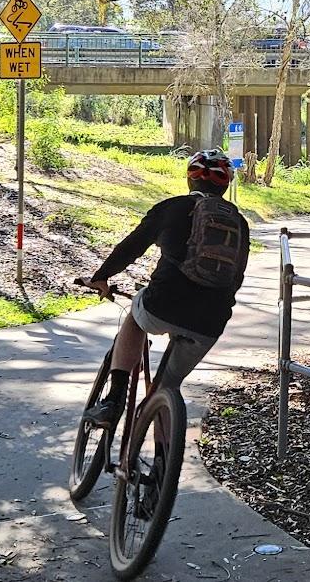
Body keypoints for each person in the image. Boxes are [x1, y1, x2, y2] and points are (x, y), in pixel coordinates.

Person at [79, 148, 247, 425]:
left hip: (163, 303)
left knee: (134, 318)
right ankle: (162, 463)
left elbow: (130, 248)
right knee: (166, 391)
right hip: (210, 321)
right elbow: (236, 278)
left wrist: (101, 277)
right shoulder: (239, 223)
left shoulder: (172, 208)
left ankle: (113, 400)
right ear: (225, 186)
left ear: (190, 181)